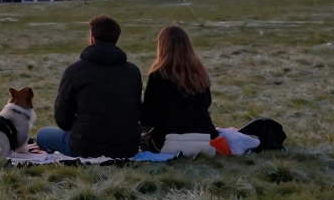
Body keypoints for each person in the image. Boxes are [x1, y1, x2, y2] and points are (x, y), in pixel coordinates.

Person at [36, 15, 142, 158]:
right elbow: (137, 111)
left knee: (42, 134)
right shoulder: (133, 72)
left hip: (84, 147)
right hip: (127, 147)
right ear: (116, 38)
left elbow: (62, 119)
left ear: (92, 38)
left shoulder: (74, 71)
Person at [140, 25, 217, 152]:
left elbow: (148, 117)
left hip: (168, 139)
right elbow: (206, 103)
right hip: (205, 136)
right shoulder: (200, 73)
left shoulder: (159, 76)